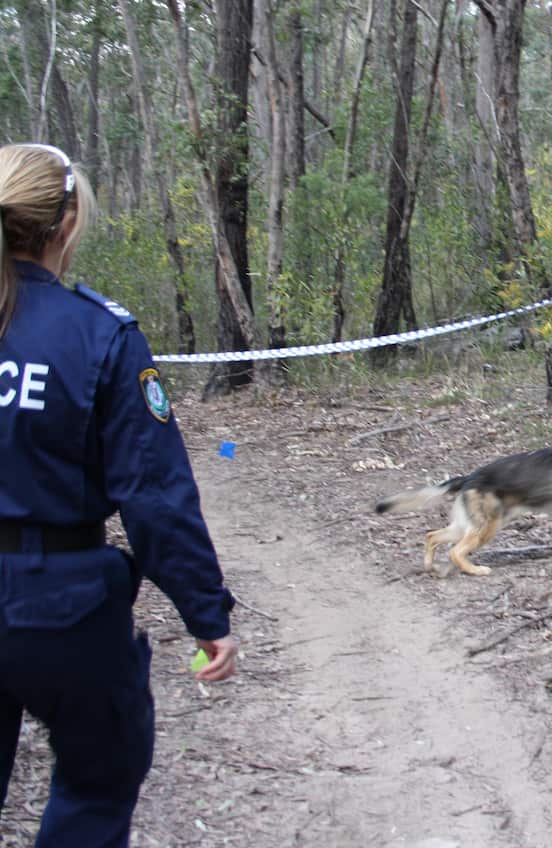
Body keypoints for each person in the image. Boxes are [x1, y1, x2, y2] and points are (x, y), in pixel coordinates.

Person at [0, 143, 238, 847]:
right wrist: (206, 613)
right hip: (62, 608)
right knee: (96, 787)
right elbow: (155, 495)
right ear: (66, 224)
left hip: (62, 598)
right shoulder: (98, 333)